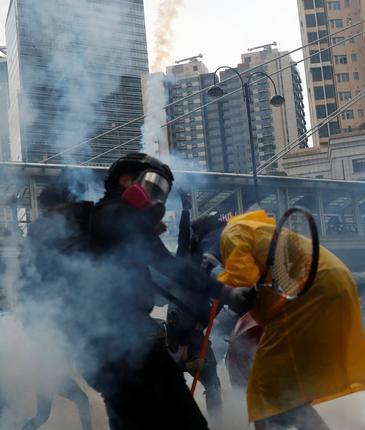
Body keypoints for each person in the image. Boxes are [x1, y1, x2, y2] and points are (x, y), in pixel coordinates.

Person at [70, 153, 251, 429]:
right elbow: (123, 224)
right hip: (123, 345)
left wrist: (224, 293)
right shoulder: (109, 213)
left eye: (161, 193)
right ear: (126, 180)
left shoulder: (128, 224)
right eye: (152, 186)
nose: (156, 198)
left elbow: (172, 268)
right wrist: (226, 292)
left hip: (116, 348)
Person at [197, 209, 365, 429]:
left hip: (312, 291)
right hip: (329, 284)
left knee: (265, 387)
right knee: (284, 391)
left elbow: (243, 280)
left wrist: (217, 276)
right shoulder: (253, 228)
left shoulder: (231, 233)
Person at [21, 182, 93, 430]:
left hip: (48, 368)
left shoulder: (39, 231)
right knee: (81, 402)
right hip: (50, 373)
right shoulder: (46, 230)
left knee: (42, 417)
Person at [164, 307, 222, 423]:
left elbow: (212, 309)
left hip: (204, 354)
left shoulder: (194, 315)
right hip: (189, 360)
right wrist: (190, 365)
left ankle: (217, 422)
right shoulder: (166, 338)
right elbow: (168, 368)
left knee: (213, 387)